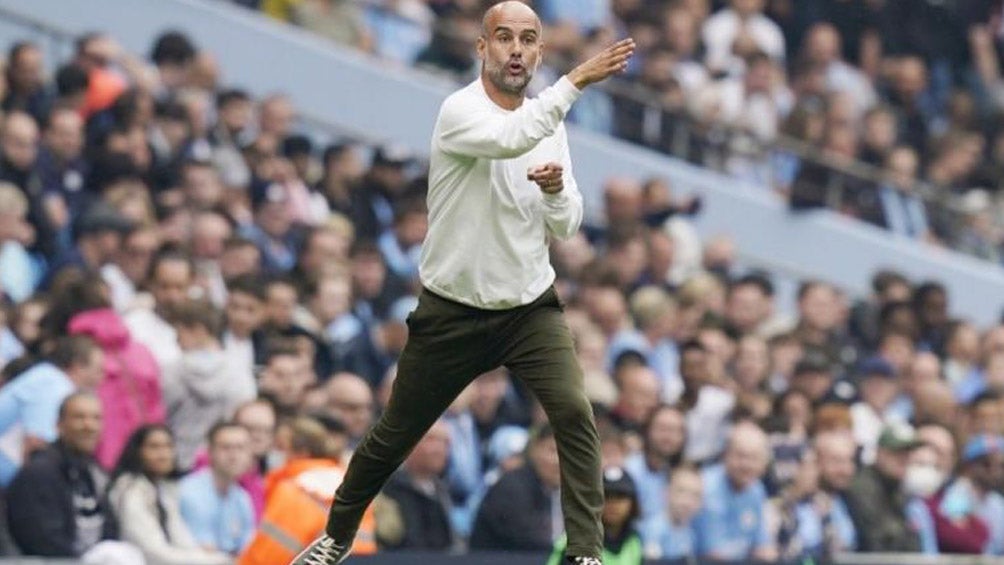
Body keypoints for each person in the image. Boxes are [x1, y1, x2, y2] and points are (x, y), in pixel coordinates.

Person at [291, 2, 636, 563]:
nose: (517, 49)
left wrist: (553, 191)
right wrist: (575, 81)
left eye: (529, 39)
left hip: (528, 308)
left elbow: (568, 222)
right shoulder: (460, 110)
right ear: (482, 48)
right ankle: (336, 536)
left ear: (540, 53)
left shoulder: (550, 123)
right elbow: (508, 138)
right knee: (394, 436)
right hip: (453, 310)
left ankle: (585, 552)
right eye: (504, 38)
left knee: (574, 411)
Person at [6, 392, 145, 564]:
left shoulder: (97, 473)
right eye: (79, 417)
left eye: (96, 418)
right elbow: (42, 541)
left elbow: (110, 531)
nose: (89, 425)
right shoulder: (38, 473)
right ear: (59, 425)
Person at [240, 416, 376, 565]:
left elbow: (268, 556)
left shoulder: (294, 490)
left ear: (302, 452)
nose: (275, 453)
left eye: (280, 447)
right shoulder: (348, 481)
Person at [107, 424, 231, 565]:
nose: (163, 454)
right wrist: (218, 560)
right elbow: (154, 552)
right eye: (154, 447)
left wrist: (211, 558)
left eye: (168, 447)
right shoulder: (129, 490)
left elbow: (181, 540)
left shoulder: (164, 490)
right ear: (137, 452)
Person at [0, 335, 104, 485]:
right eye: (98, 370)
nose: (102, 377)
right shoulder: (53, 385)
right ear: (78, 367)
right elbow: (36, 444)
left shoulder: (49, 377)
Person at [164, 299, 255, 469]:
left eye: (179, 332)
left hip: (176, 463)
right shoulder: (239, 373)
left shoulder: (170, 372)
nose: (176, 341)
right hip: (225, 465)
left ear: (198, 330)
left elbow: (159, 417)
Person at [470, 423, 564, 552]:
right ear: (534, 450)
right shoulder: (511, 488)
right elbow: (531, 541)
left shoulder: (556, 491)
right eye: (553, 450)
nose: (559, 461)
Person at [693, 421, 777, 562]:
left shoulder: (757, 489)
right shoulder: (705, 485)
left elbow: (763, 545)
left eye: (754, 458)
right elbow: (712, 553)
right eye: (740, 455)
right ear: (725, 455)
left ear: (764, 464)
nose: (746, 464)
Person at [179, 422, 256, 557]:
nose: (234, 455)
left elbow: (249, 548)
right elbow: (204, 552)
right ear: (210, 452)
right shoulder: (190, 492)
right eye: (226, 448)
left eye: (241, 448)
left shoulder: (242, 497)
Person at [376, 419, 455, 550]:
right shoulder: (388, 488)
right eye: (431, 440)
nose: (439, 449)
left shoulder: (441, 490)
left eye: (445, 442)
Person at [845, 422, 924, 552]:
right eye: (898, 452)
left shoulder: (899, 489)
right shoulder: (862, 487)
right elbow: (877, 541)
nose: (904, 459)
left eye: (908, 452)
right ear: (879, 453)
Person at [547, 466, 644, 565]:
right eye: (605, 496)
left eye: (620, 496)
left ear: (633, 503)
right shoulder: (576, 542)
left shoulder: (634, 540)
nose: (613, 504)